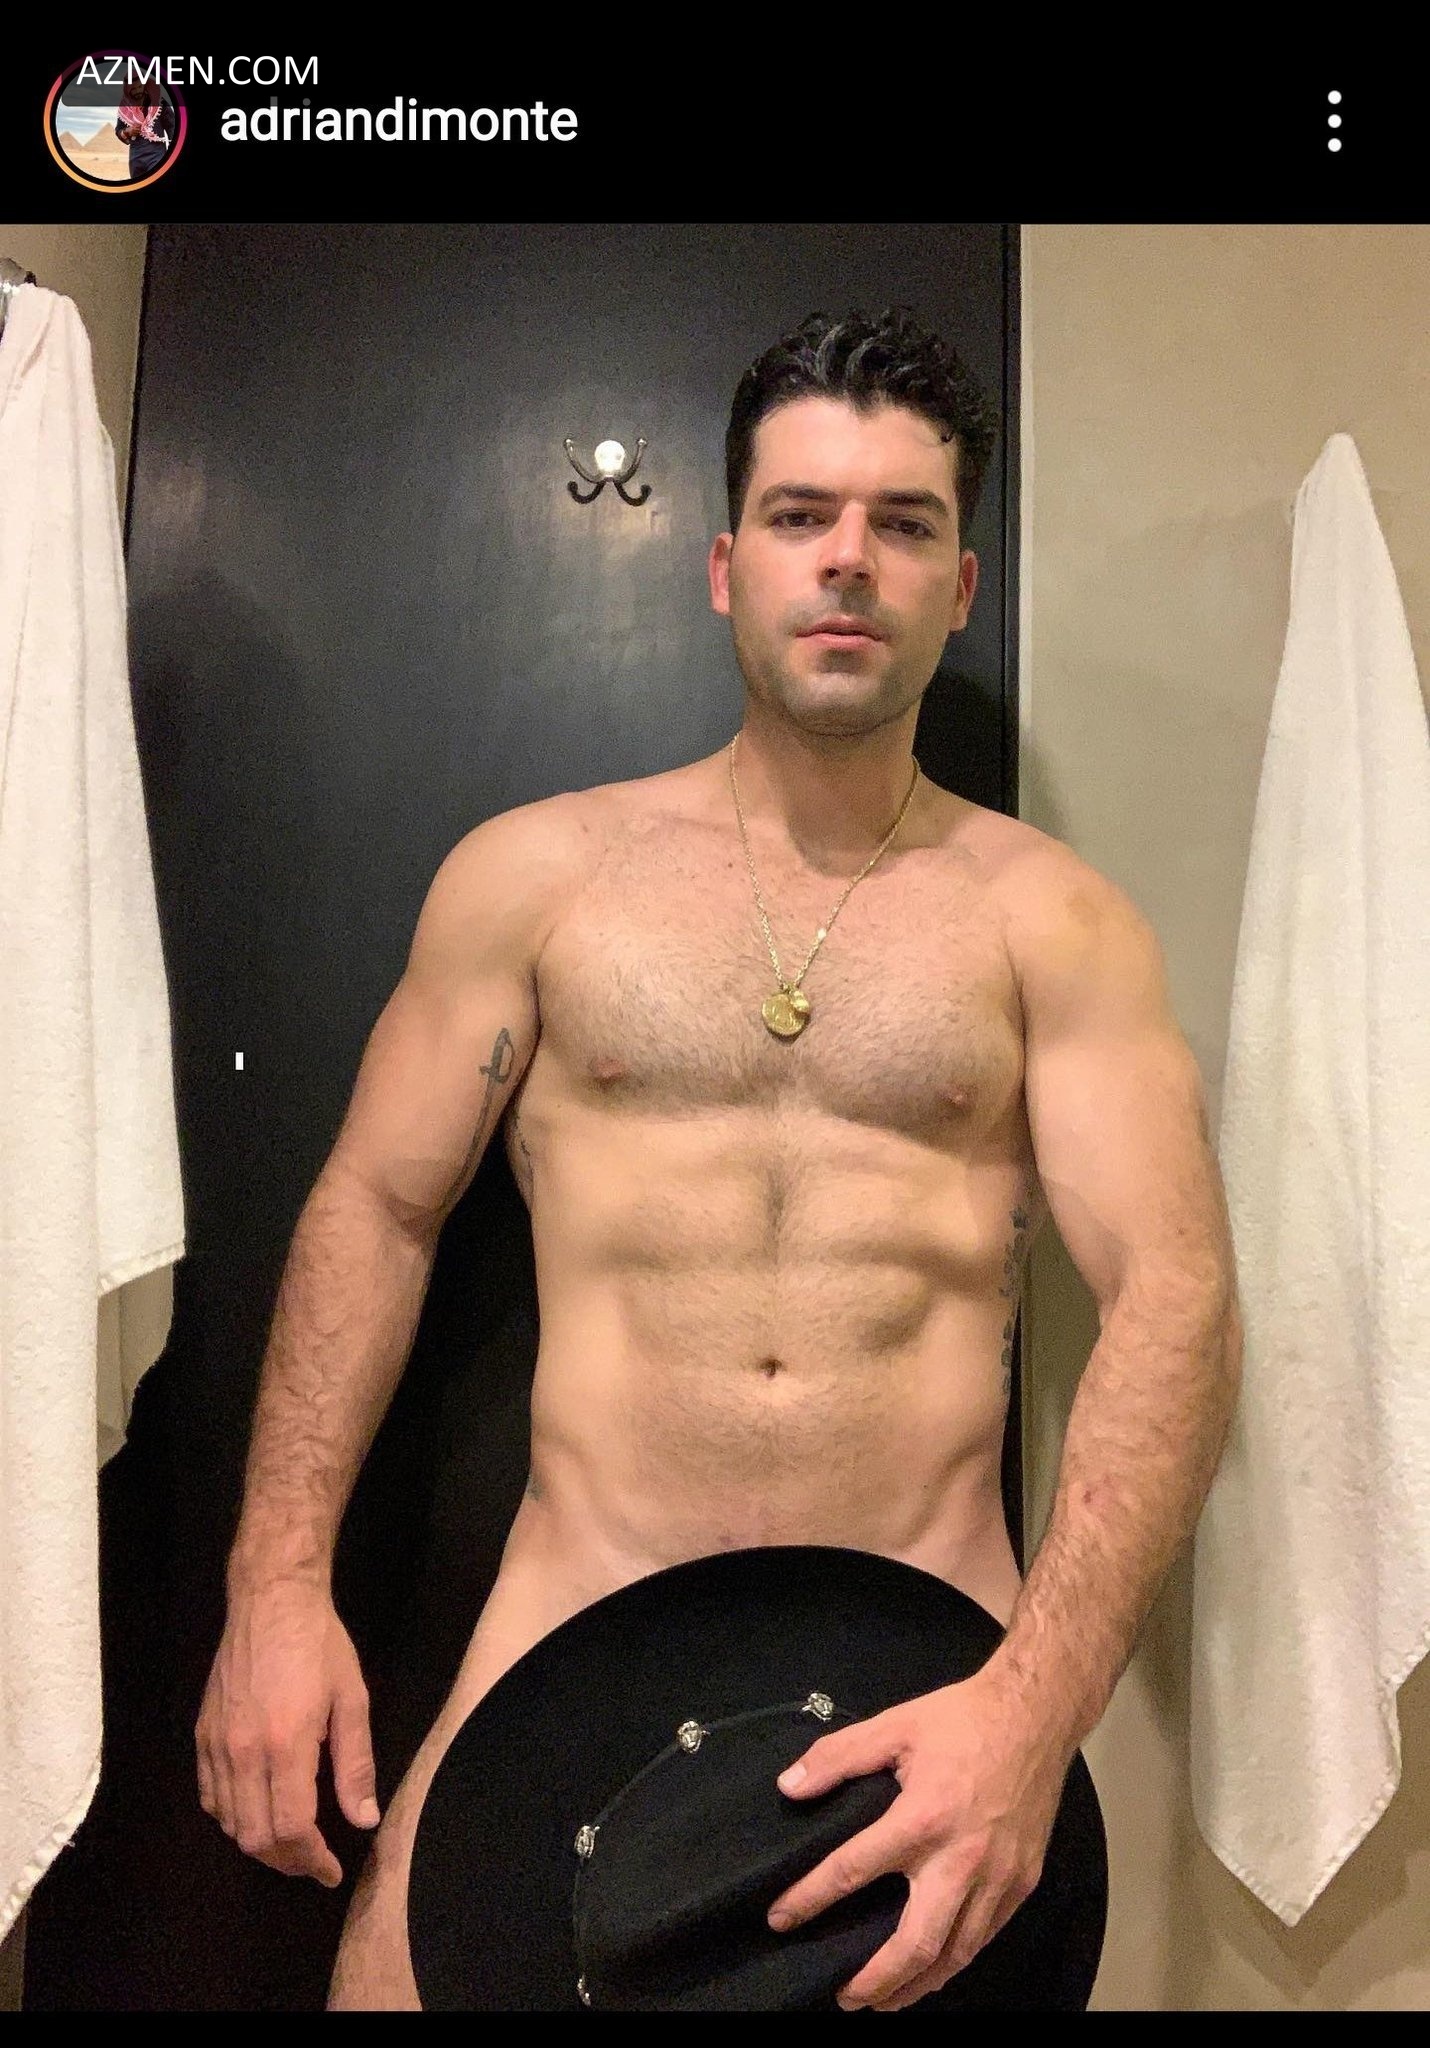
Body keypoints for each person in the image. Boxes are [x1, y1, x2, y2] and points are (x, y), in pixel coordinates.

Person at [197, 308, 1243, 2011]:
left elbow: (1174, 1299)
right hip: (566, 1625)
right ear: (721, 564)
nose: (849, 561)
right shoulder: (536, 880)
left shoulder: (1055, 924)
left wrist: (1039, 1708)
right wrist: (275, 1589)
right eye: (800, 514)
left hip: (928, 1678)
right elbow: (374, 1213)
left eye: (904, 523)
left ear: (960, 588)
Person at [115, 79, 171, 180]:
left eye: (140, 87)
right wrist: (127, 131)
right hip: (136, 158)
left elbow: (172, 127)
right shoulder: (125, 108)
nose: (137, 91)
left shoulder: (159, 102)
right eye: (133, 89)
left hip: (157, 155)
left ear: (144, 85)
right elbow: (118, 130)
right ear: (128, 90)